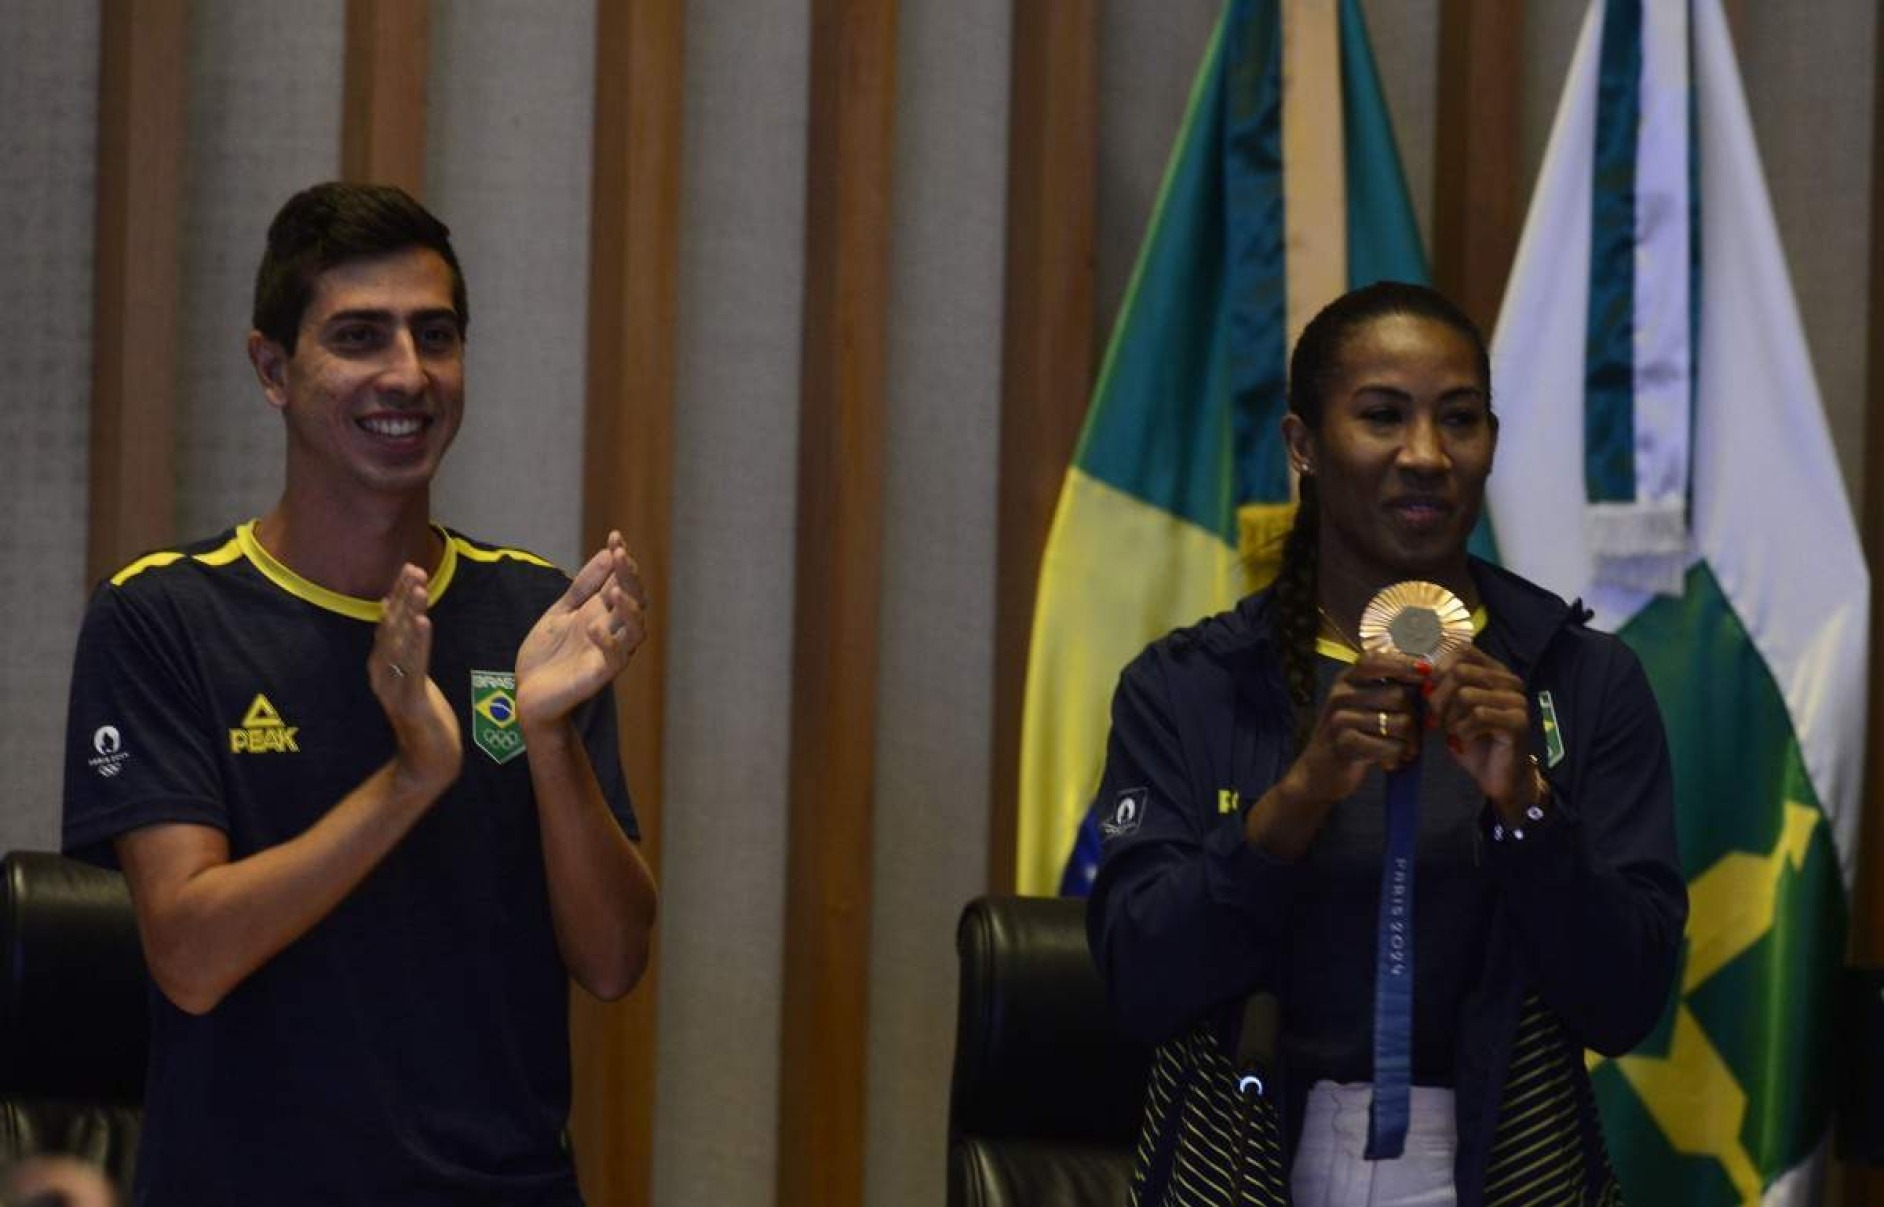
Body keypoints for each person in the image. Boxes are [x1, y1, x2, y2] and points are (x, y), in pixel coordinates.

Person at [61, 182, 658, 1206]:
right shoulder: (163, 618)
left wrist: (549, 739)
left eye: (437, 336)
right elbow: (192, 953)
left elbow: (612, 961)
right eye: (359, 336)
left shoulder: (529, 614)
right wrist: (411, 778)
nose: (408, 375)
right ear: (273, 369)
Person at [1085, 282, 1686, 1206]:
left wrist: (1528, 808)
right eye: (1381, 417)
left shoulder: (1581, 681)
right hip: (1248, 1162)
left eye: (1460, 420)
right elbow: (1138, 979)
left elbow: (1628, 1002)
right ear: (1302, 446)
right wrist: (1295, 802)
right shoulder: (1191, 686)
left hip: (1508, 1164)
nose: (1426, 456)